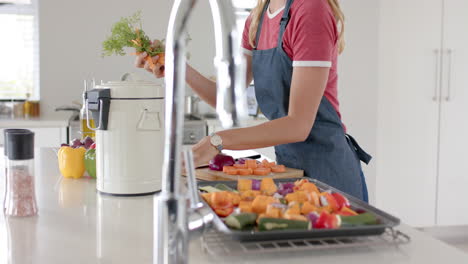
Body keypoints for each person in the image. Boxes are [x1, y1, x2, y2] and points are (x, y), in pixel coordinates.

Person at [135, 0, 371, 201]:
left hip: (328, 175)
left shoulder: (310, 10)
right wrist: (176, 66)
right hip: (289, 171)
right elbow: (227, 99)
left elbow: (299, 125)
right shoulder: (258, 18)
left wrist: (218, 141)